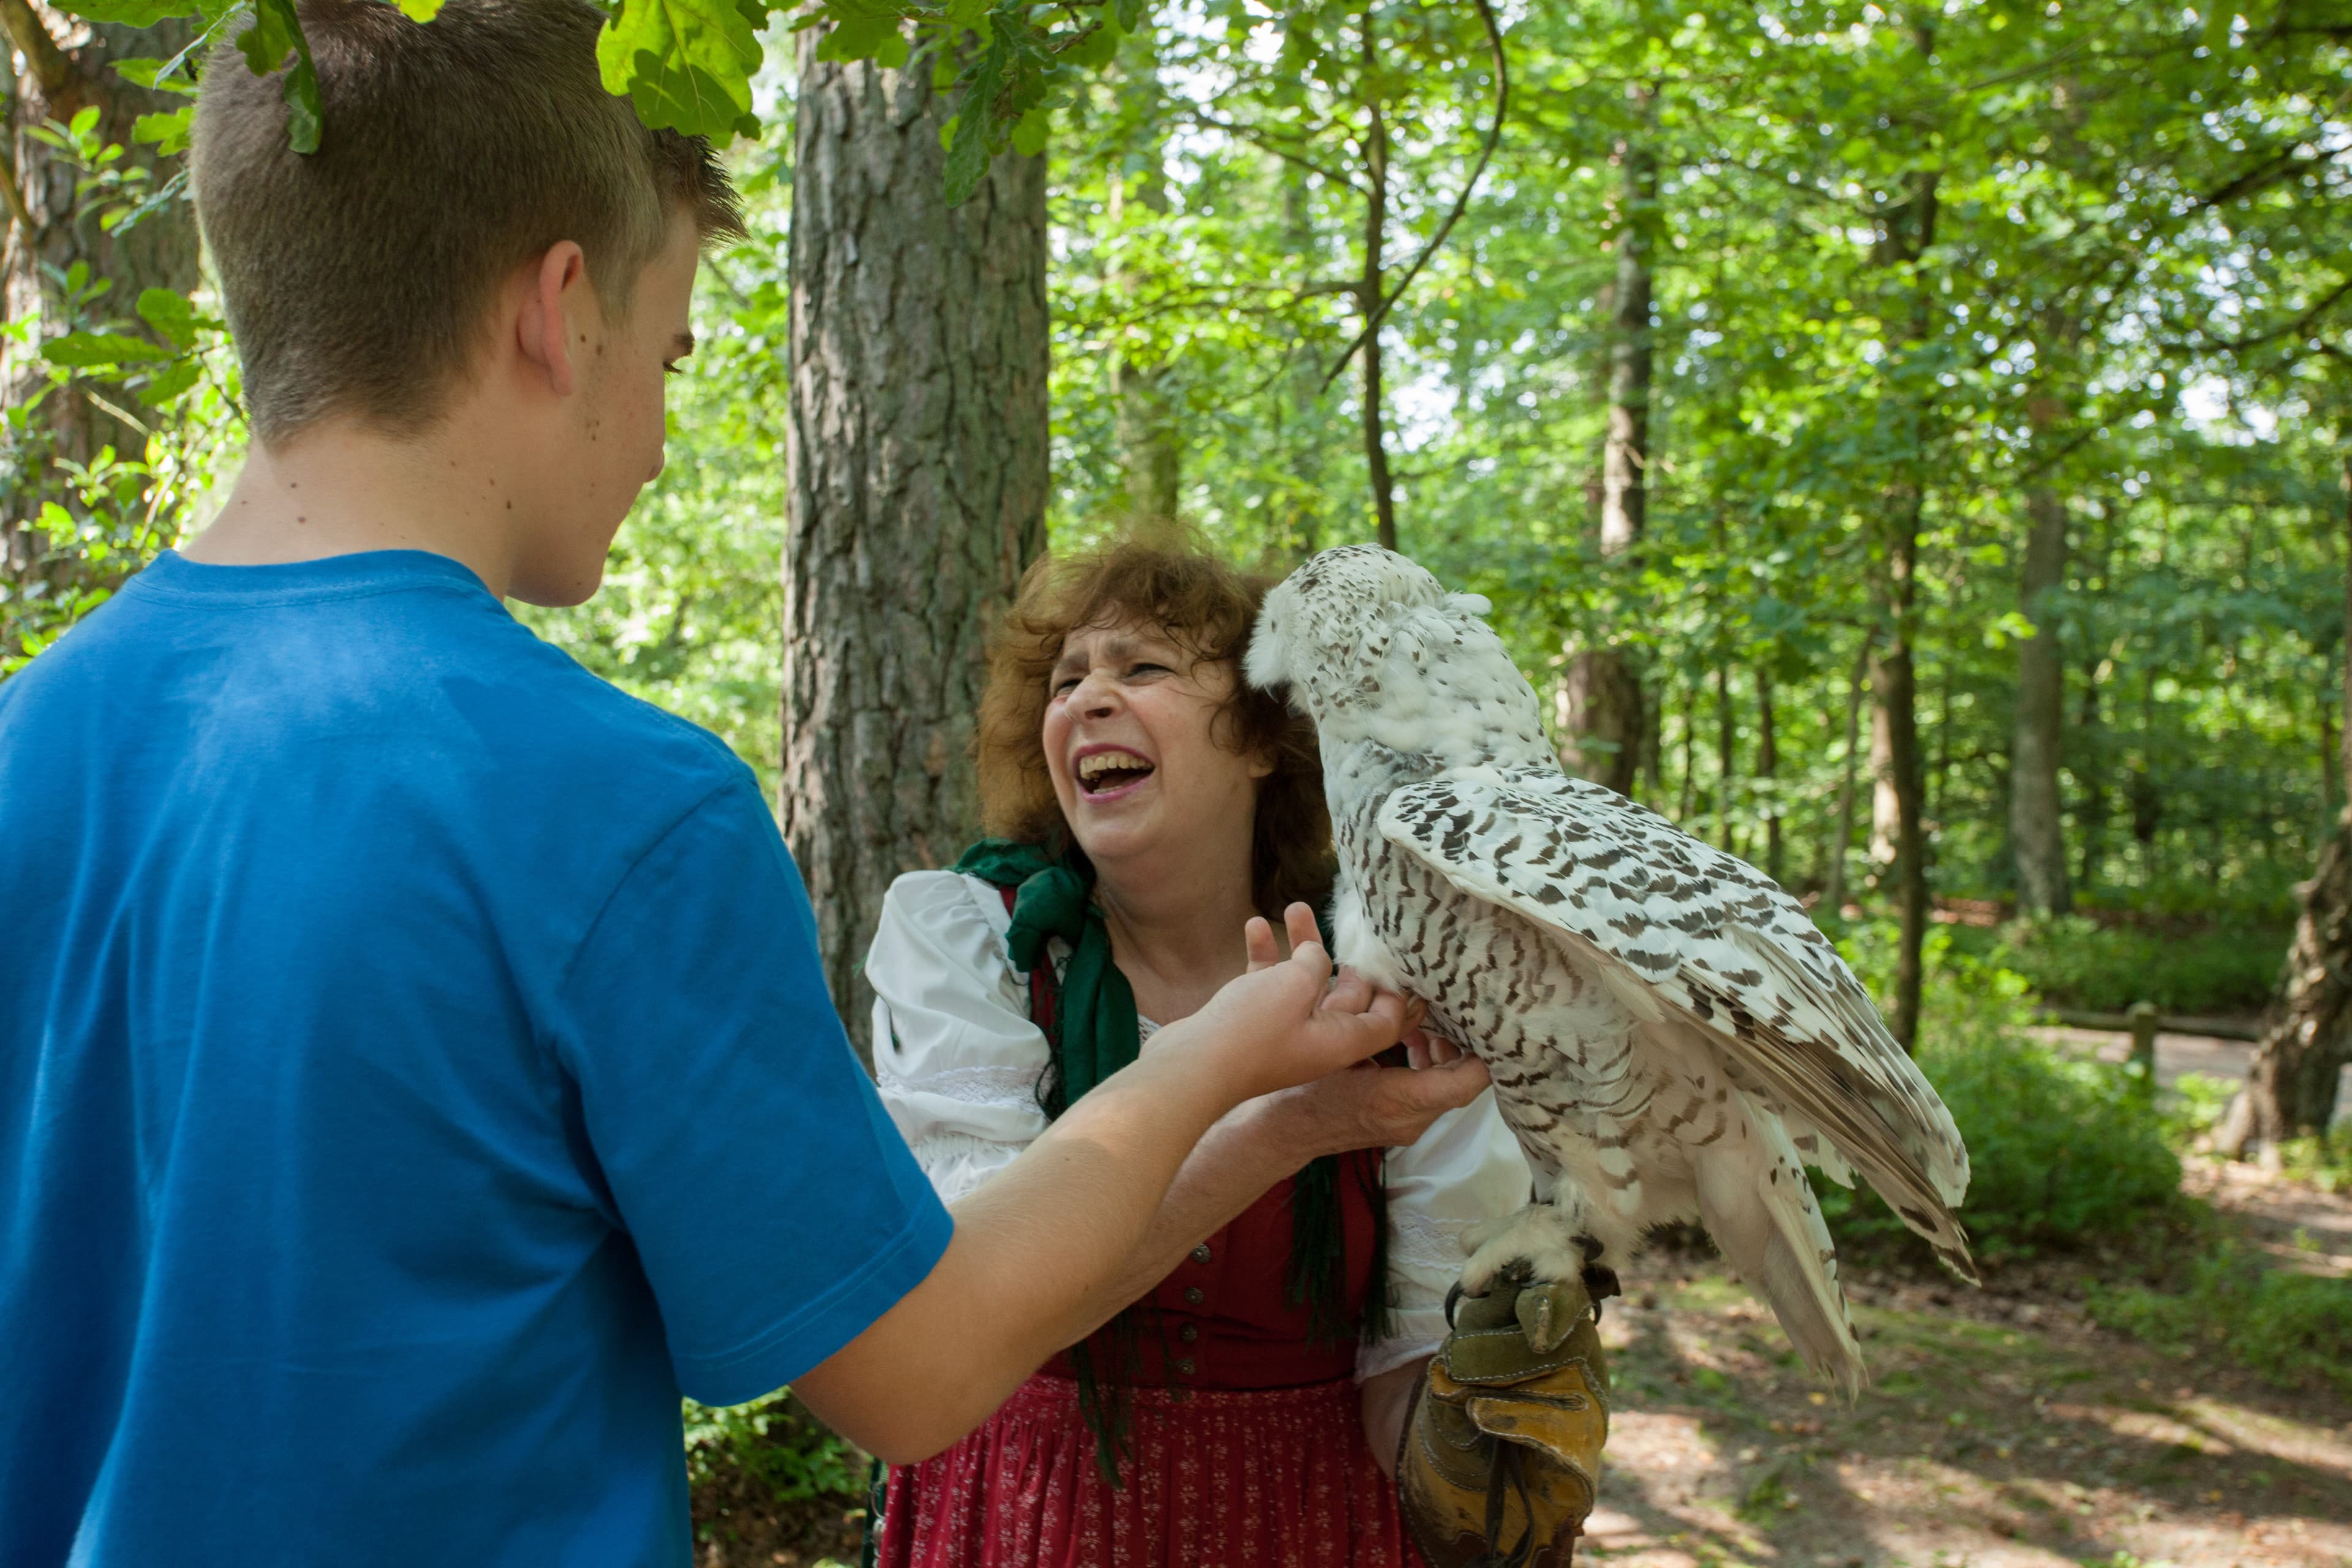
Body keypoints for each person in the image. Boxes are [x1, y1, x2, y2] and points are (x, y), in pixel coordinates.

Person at [0, 6, 1427, 1563]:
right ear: (561, 310)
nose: (662, 440)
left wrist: (1278, 1124)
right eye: (670, 351)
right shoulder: (621, 809)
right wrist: (1221, 1058)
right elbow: (917, 1363)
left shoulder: (31, 740)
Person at [865, 540, 1534, 1567]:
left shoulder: (1393, 972)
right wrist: (1291, 1128)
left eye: (1142, 667)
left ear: (1263, 736)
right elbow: (981, 1305)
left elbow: (1409, 1375)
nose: (1087, 700)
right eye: (1065, 682)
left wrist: (1499, 1453)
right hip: (1027, 1516)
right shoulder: (974, 939)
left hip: (1311, 1526)